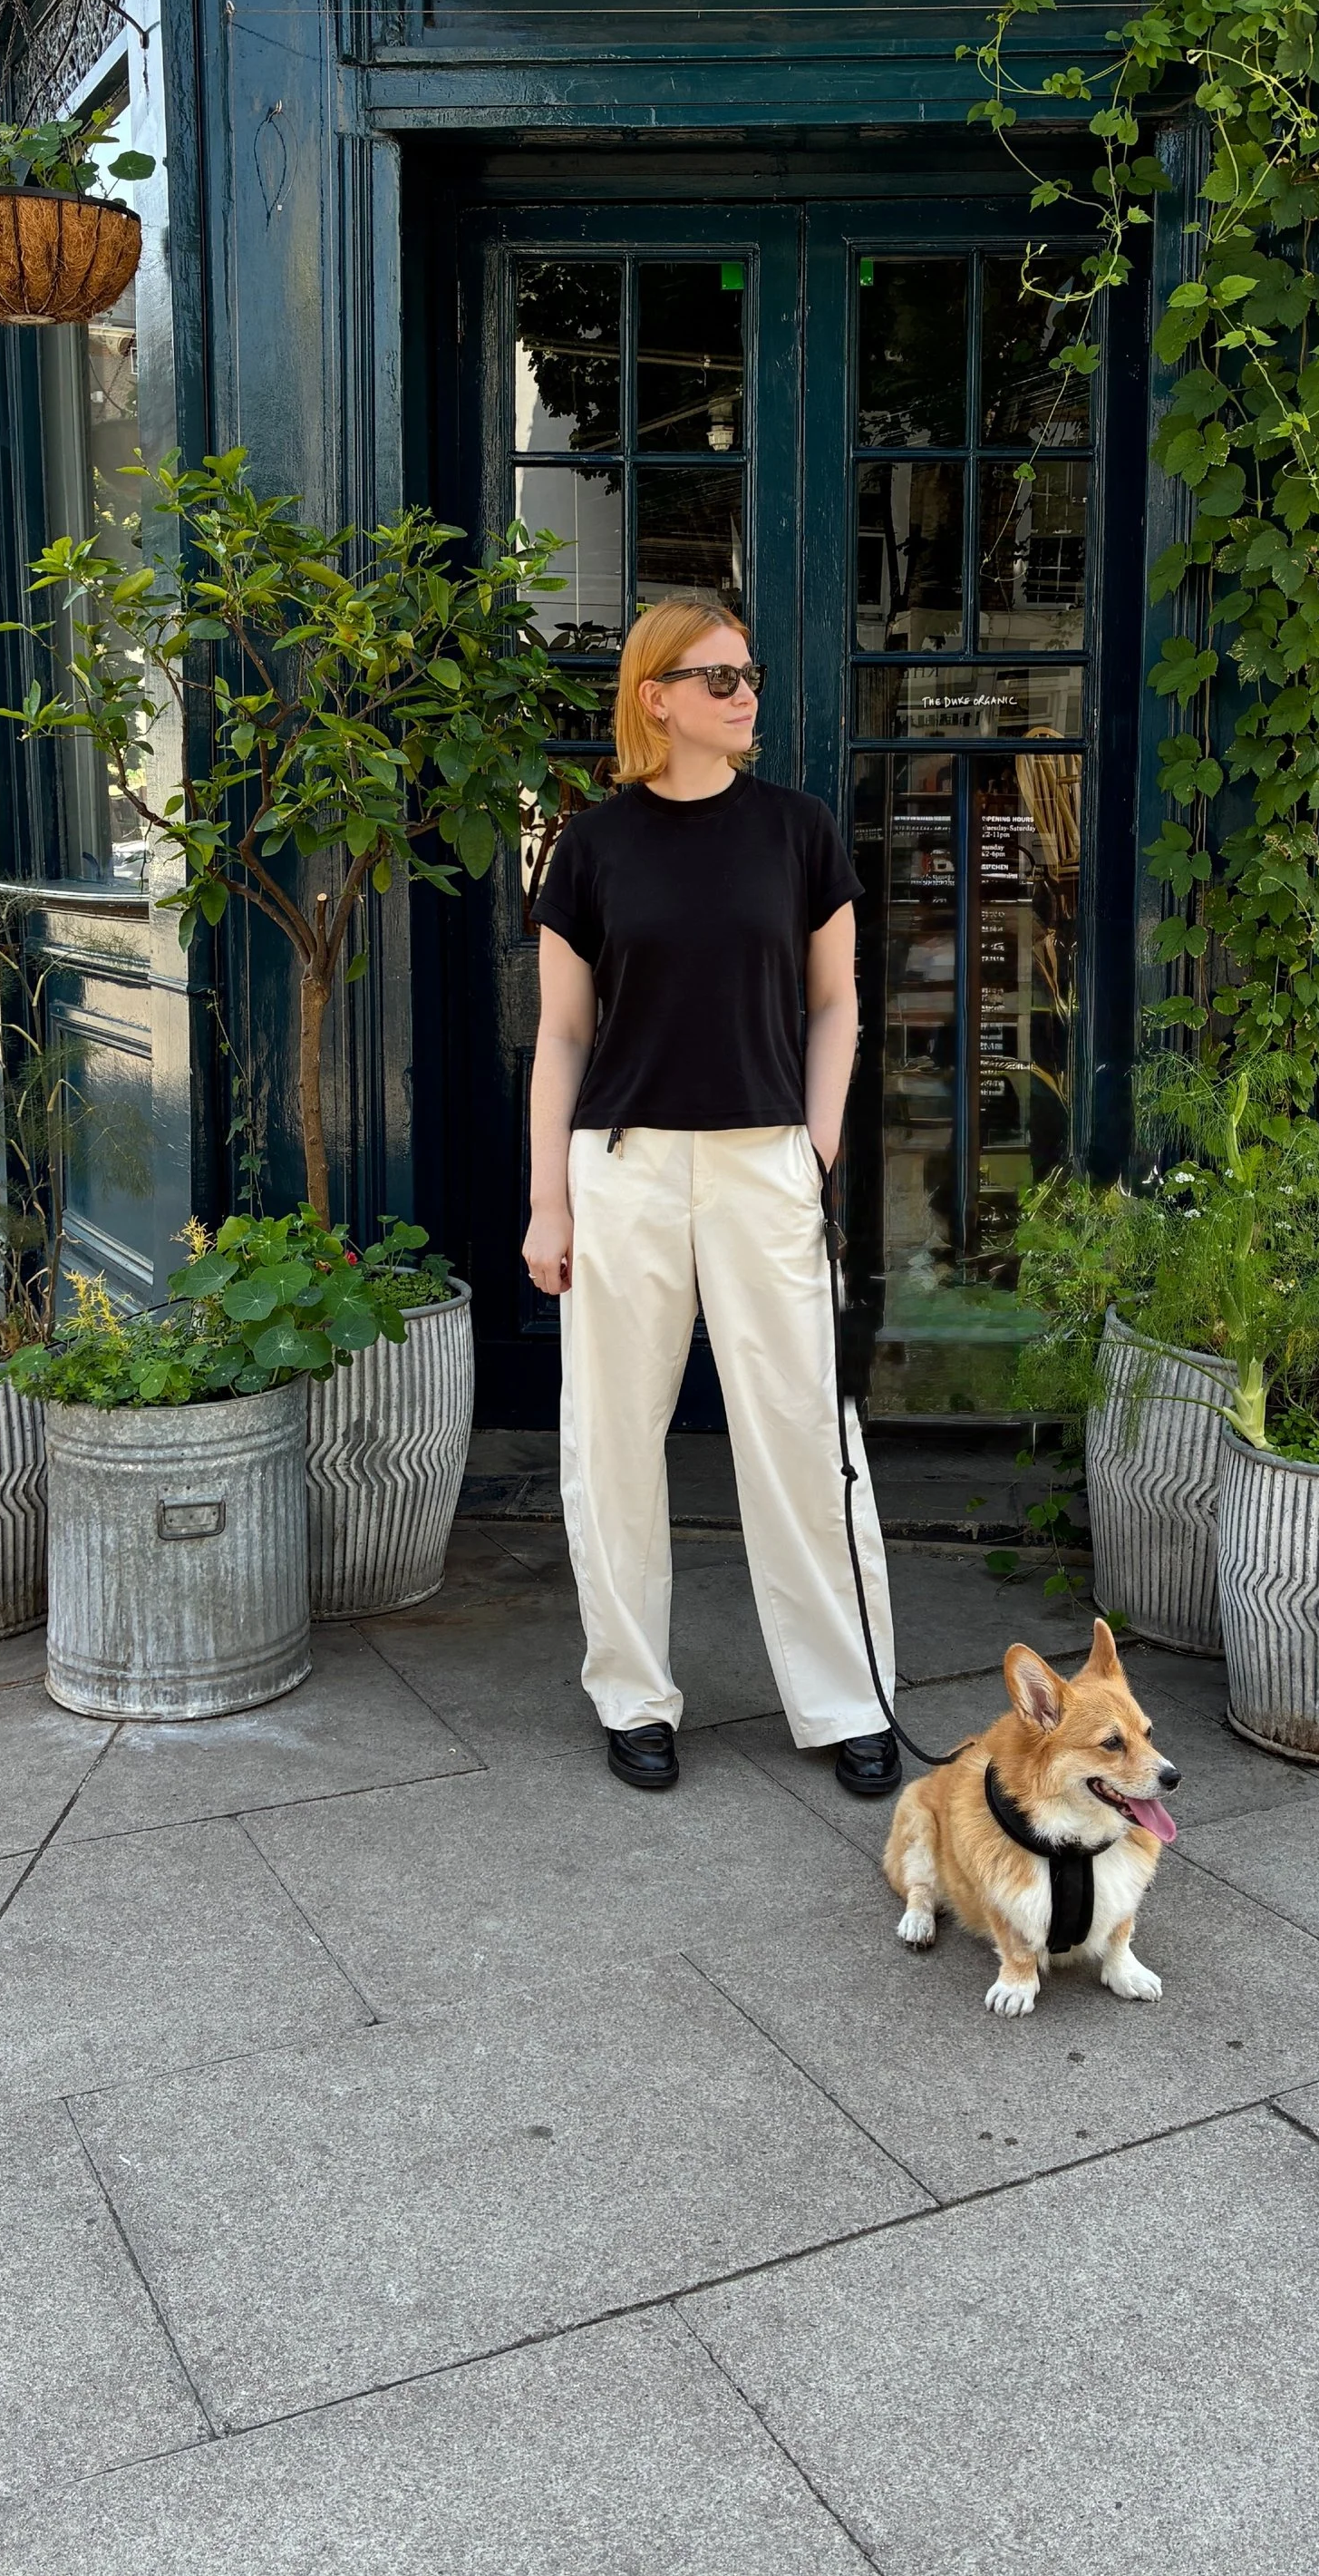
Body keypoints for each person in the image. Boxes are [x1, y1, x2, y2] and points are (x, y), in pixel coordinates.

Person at [524, 592, 901, 1800]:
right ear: (657, 698)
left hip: (763, 1164)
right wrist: (548, 1201)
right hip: (624, 1167)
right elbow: (563, 1037)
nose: (745, 696)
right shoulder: (590, 846)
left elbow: (838, 1003)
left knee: (803, 1433)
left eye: (748, 675)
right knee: (613, 1443)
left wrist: (818, 1147)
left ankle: (847, 1697)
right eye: (720, 678)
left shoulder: (797, 832)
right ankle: (633, 1695)